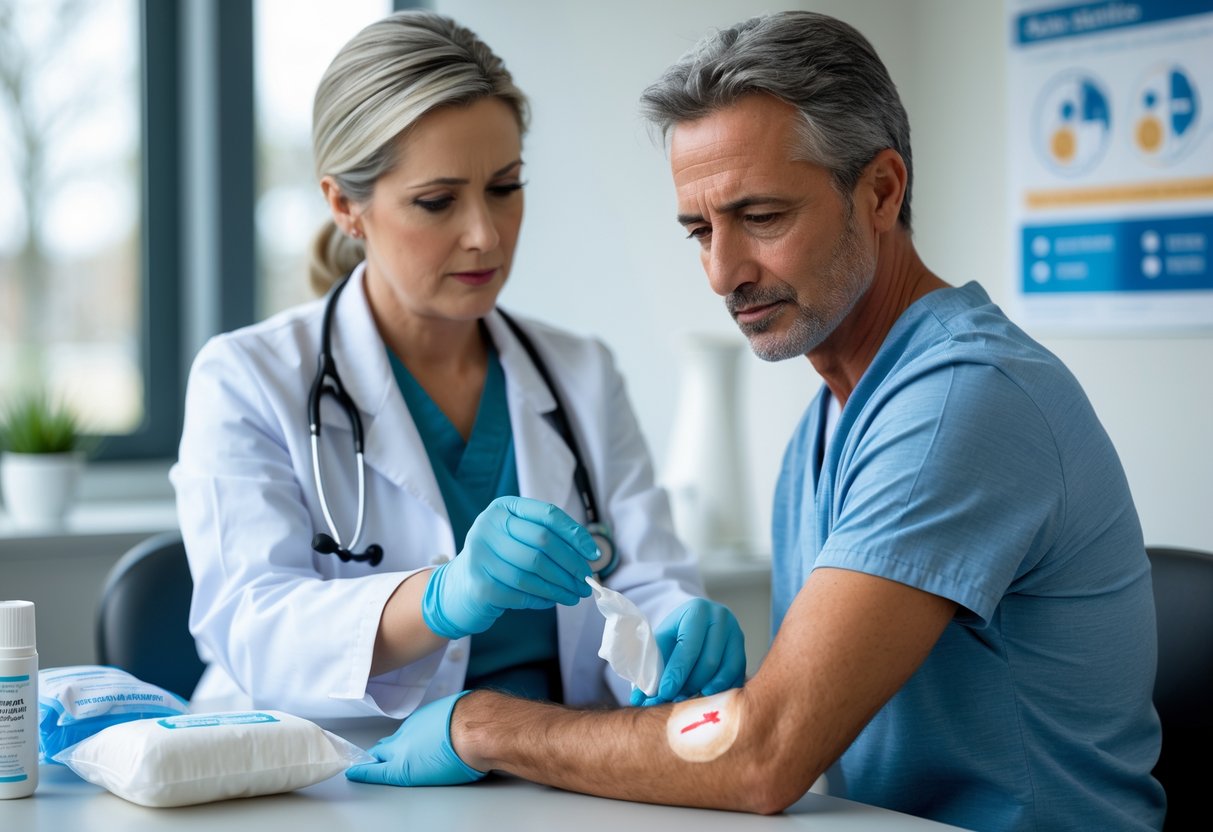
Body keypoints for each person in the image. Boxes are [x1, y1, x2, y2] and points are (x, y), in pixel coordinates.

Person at [343, 11, 1167, 832]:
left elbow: (761, 756)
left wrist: (483, 727)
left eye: (761, 218)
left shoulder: (958, 402)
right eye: (699, 230)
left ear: (880, 191)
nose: (721, 272)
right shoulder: (833, 415)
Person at [170, 11, 746, 721]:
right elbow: (251, 628)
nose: (484, 234)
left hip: (554, 777)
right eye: (437, 201)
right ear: (345, 205)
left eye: (504, 187)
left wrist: (675, 630)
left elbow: (644, 582)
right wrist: (441, 598)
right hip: (332, 783)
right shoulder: (248, 378)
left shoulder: (581, 374)